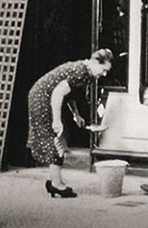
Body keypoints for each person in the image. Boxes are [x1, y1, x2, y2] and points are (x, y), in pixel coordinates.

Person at [27, 48, 113, 198]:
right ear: (95, 62)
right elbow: (57, 93)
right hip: (42, 98)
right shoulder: (80, 71)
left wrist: (76, 114)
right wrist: (56, 120)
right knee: (55, 138)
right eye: (103, 70)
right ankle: (56, 184)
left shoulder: (87, 73)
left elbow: (70, 93)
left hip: (46, 97)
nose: (104, 74)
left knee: (59, 137)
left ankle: (53, 180)